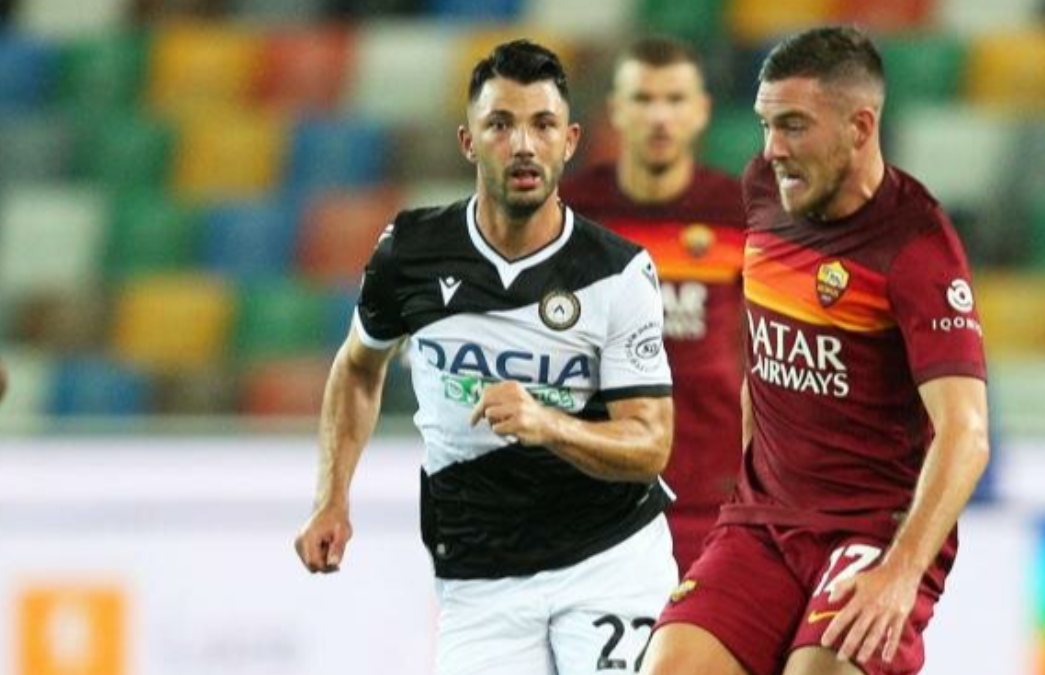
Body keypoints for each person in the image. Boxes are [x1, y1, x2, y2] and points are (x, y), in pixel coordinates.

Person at [293, 40, 678, 675]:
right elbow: (358, 368)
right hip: (479, 578)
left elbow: (651, 443)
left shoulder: (618, 273)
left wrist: (547, 423)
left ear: (570, 141)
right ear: (468, 141)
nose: (523, 144)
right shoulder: (410, 253)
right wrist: (330, 498)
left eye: (543, 125)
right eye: (500, 124)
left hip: (609, 560)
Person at [642, 26, 990, 675]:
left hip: (874, 530)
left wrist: (901, 571)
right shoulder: (765, 193)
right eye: (766, 125)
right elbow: (760, 356)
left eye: (794, 126)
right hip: (762, 524)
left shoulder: (917, 246)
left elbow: (966, 433)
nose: (772, 149)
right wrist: (748, 489)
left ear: (860, 127)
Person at [560, 36, 744, 573]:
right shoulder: (570, 215)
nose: (660, 116)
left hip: (715, 497)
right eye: (643, 99)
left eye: (675, 99)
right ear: (616, 110)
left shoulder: (740, 214)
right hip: (596, 497)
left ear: (701, 110)